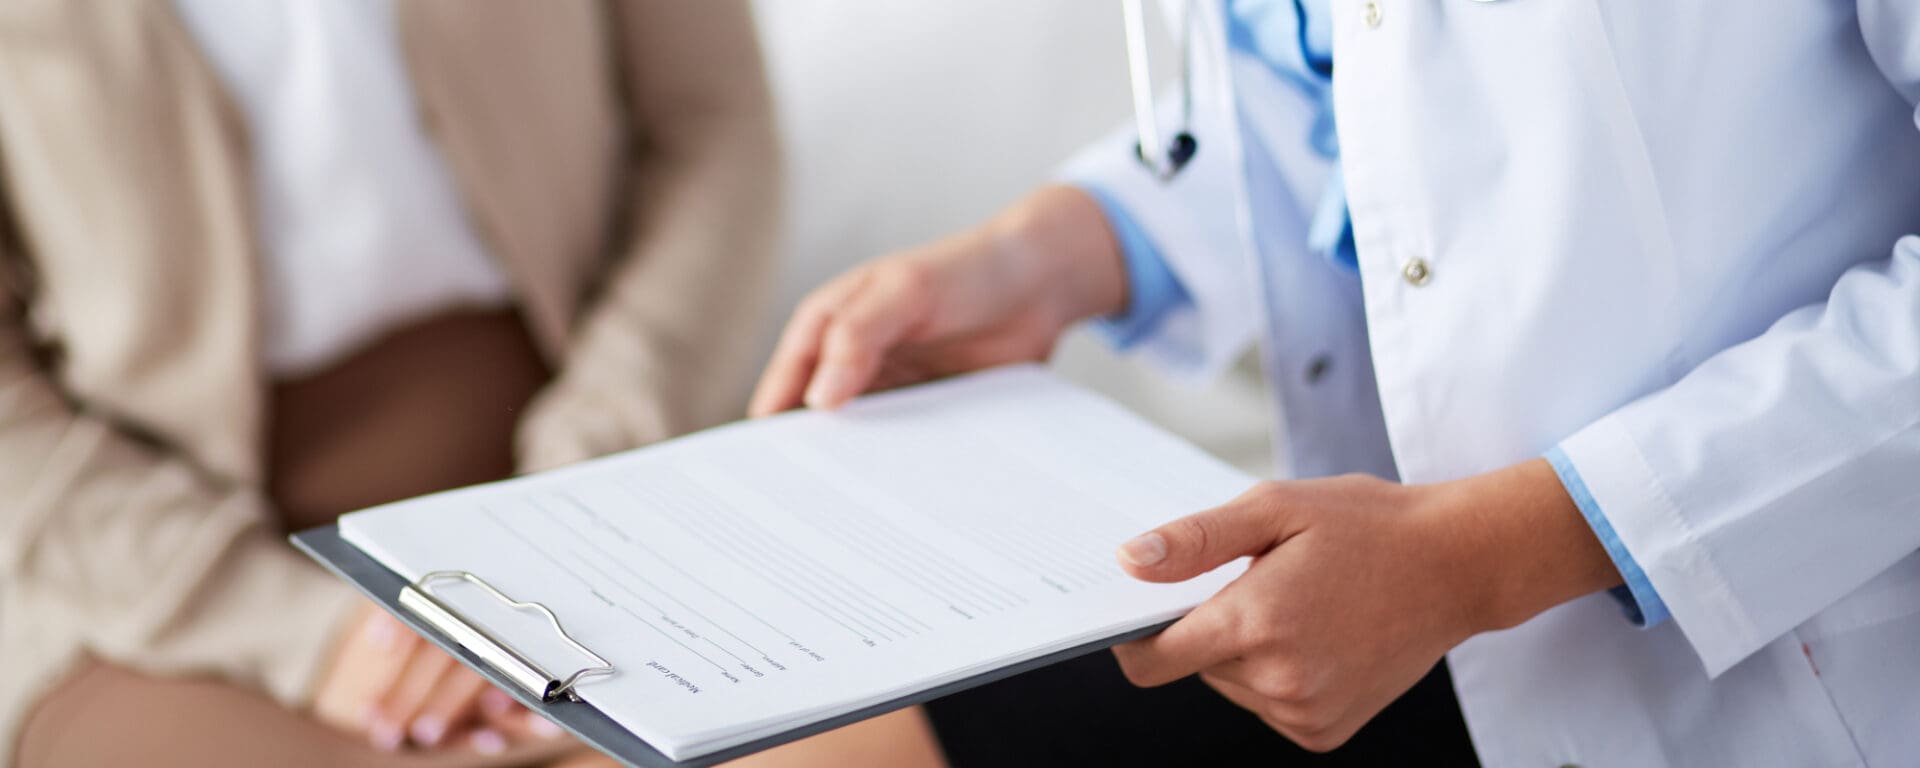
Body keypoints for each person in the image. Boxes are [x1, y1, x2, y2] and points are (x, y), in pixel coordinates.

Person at [751, 0, 1920, 765]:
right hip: (1392, 608)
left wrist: (1491, 552)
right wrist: (1059, 251)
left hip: (1786, 666)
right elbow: (1339, 80)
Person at [0, 1, 775, 765]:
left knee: (853, 732)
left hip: (607, 474)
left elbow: (709, 127)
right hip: (142, 577)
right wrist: (305, 633)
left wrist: (589, 479)